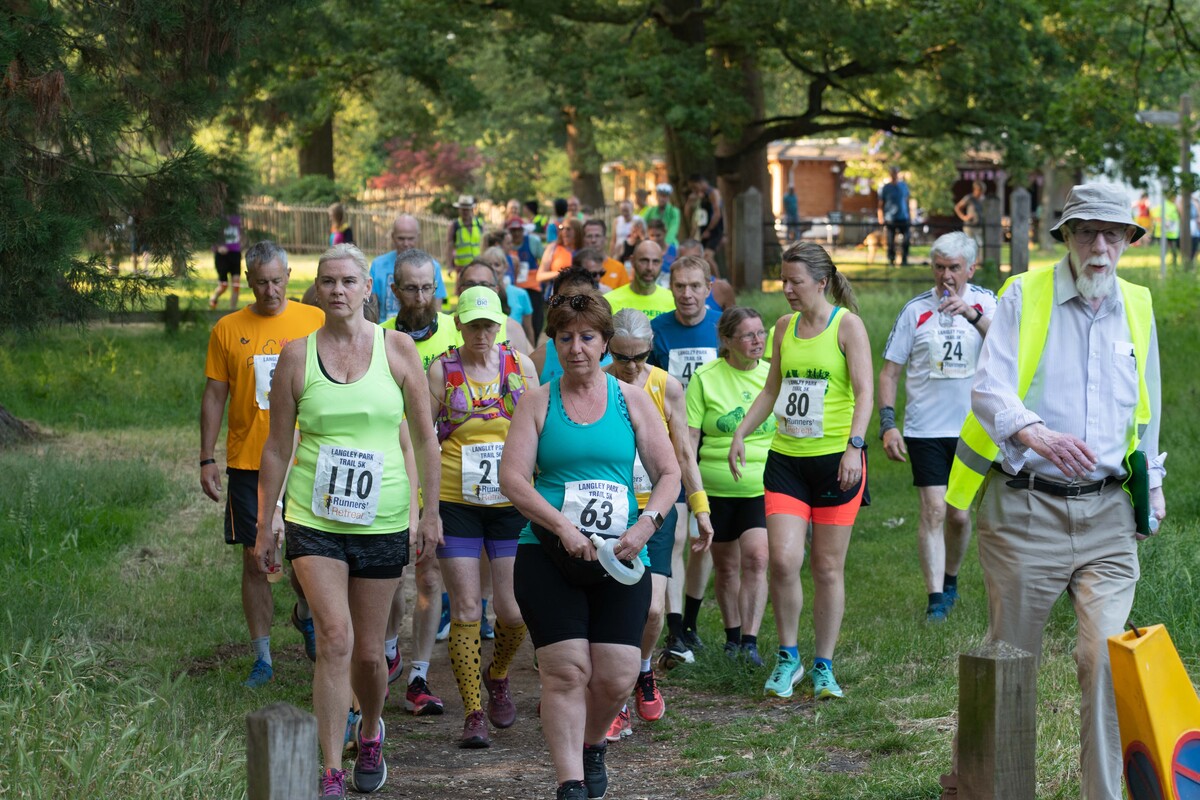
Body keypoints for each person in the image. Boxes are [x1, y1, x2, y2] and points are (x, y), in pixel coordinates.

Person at [939, 183, 1166, 800]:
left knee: (1106, 662)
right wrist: (1033, 432)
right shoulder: (1023, 293)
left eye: (1112, 234)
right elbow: (989, 388)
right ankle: (981, 788)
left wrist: (1151, 486)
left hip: (1109, 516)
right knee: (1010, 663)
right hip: (1027, 510)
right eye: (1087, 232)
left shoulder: (1138, 303)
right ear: (1066, 236)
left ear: (1128, 241)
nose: (1100, 246)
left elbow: (1146, 409)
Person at [254, 243, 442, 797]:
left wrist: (429, 511)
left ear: (367, 289)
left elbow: (425, 439)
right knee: (334, 637)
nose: (337, 290)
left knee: (368, 651)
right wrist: (266, 521)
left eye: (348, 281)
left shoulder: (398, 349)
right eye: (328, 281)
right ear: (317, 290)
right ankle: (332, 767)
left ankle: (371, 726)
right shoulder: (296, 356)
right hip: (314, 518)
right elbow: (276, 447)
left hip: (382, 519)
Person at [498, 287, 681, 800]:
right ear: (554, 342)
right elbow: (513, 479)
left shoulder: (632, 400)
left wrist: (646, 526)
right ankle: (570, 782)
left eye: (586, 338)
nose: (576, 348)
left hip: (621, 555)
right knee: (566, 670)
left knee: (617, 675)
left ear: (604, 342)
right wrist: (562, 527)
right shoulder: (538, 402)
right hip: (548, 553)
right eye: (565, 338)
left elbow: (669, 473)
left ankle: (593, 742)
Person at [729, 242, 873, 701]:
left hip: (836, 463)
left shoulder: (847, 326)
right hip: (787, 461)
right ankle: (788, 656)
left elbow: (865, 394)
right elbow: (772, 389)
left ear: (821, 282)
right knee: (783, 560)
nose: (787, 289)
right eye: (783, 281)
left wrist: (854, 448)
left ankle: (824, 665)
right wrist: (741, 432)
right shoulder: (783, 327)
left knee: (827, 567)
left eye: (795, 281)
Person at [200, 241, 325, 687]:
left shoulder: (315, 321)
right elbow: (215, 395)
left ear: (288, 276)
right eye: (260, 283)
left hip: (308, 457)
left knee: (310, 557)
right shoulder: (228, 329)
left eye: (277, 281)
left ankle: (306, 614)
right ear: (247, 281)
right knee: (257, 559)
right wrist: (206, 457)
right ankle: (263, 658)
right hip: (250, 461)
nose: (270, 291)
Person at [428, 286, 540, 748]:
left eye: (488, 325)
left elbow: (538, 430)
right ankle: (473, 711)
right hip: (456, 503)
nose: (481, 333)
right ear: (459, 325)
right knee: (468, 608)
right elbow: (424, 436)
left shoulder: (521, 366)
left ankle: (498, 674)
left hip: (510, 503)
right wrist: (426, 505)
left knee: (513, 611)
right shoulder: (442, 370)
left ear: (500, 325)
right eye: (473, 325)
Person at [602, 308, 713, 740]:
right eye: (622, 357)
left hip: (657, 508)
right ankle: (615, 699)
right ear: (608, 348)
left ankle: (643, 669)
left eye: (640, 357)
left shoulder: (667, 386)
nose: (631, 367)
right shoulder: (598, 382)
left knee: (651, 610)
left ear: (652, 348)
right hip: (611, 509)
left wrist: (700, 507)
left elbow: (684, 452)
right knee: (614, 610)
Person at [877, 232, 996, 622]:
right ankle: (935, 599)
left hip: (973, 428)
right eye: (939, 267)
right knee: (933, 511)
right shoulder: (915, 311)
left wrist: (971, 315)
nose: (946, 276)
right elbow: (889, 372)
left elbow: (1009, 348)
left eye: (954, 268)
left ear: (971, 269)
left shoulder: (987, 303)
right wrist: (888, 424)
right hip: (925, 428)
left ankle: (951, 578)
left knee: (959, 514)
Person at [380, 247, 458, 716]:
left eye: (429, 287)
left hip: (441, 472)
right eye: (411, 288)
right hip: (391, 472)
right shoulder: (379, 338)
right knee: (390, 579)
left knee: (430, 574)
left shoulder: (454, 333)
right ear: (395, 290)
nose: (422, 297)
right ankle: (390, 645)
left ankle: (419, 675)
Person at [686, 307, 774, 665]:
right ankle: (732, 637)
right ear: (726, 340)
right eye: (748, 335)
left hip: (763, 487)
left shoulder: (773, 376)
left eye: (761, 332)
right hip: (716, 489)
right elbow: (690, 439)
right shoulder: (705, 378)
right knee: (726, 567)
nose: (758, 341)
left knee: (757, 557)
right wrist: (692, 490)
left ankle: (750, 642)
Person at [648, 255, 721, 659]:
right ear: (670, 287)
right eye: (680, 286)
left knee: (702, 537)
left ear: (709, 288)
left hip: (716, 446)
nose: (687, 294)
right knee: (676, 535)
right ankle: (675, 629)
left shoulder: (721, 327)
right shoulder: (658, 331)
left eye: (695, 286)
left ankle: (691, 621)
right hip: (673, 444)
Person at [370, 214, 447, 324]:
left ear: (418, 237)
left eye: (410, 238)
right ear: (393, 236)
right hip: (385, 328)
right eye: (401, 238)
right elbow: (371, 307)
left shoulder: (431, 266)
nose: (406, 244)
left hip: (421, 328)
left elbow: (437, 308)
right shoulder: (378, 266)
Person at [458, 258, 532, 354]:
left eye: (484, 284)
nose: (478, 289)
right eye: (470, 284)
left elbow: (528, 359)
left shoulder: (512, 327)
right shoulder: (442, 325)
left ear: (496, 290)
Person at [605, 240, 676, 322]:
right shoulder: (610, 301)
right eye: (644, 261)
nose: (650, 268)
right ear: (632, 261)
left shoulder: (674, 301)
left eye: (655, 262)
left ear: (661, 263)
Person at [480, 245, 535, 345]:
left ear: (505, 267)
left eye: (497, 264)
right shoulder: (478, 295)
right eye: (488, 265)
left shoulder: (521, 294)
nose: (493, 268)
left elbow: (529, 330)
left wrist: (531, 352)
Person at [684, 174, 724, 278]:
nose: (693, 190)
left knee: (707, 257)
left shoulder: (713, 193)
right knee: (699, 257)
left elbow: (717, 214)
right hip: (701, 231)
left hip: (713, 231)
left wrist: (709, 230)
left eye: (694, 187)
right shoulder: (698, 197)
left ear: (700, 183)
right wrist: (689, 202)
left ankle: (719, 281)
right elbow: (688, 215)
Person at [582, 218, 631, 293]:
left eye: (597, 236)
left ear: (605, 239)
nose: (593, 240)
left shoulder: (619, 268)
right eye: (589, 236)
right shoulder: (577, 267)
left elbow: (626, 296)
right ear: (583, 240)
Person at [878, 166, 911, 267]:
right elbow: (881, 204)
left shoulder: (903, 186)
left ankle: (904, 260)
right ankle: (891, 260)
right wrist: (880, 217)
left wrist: (910, 215)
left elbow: (907, 201)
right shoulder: (886, 188)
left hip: (903, 217)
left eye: (896, 173)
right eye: (893, 173)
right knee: (890, 241)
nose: (895, 175)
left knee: (906, 239)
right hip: (890, 218)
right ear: (890, 174)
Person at [209, 212, 243, 310]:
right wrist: (217, 247)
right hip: (222, 256)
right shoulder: (217, 217)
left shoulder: (237, 216)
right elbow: (211, 234)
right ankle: (214, 298)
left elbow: (242, 233)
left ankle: (233, 310)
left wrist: (242, 245)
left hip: (235, 254)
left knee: (236, 284)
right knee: (224, 285)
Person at [537, 217, 584, 289]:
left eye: (568, 229)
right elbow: (540, 276)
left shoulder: (584, 250)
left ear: (577, 231)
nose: (564, 231)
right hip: (557, 291)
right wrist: (561, 273)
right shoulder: (553, 248)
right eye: (561, 228)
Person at [447, 195, 485, 271]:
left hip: (478, 265)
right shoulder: (455, 225)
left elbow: (485, 244)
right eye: (463, 209)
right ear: (459, 210)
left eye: (467, 209)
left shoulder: (479, 224)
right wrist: (450, 266)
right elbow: (449, 246)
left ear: (472, 209)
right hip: (461, 267)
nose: (465, 212)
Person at [642, 183, 681, 248]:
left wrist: (664, 245)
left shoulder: (674, 211)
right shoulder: (651, 210)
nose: (661, 199)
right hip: (652, 242)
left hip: (669, 243)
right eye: (659, 196)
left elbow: (673, 230)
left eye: (664, 196)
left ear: (668, 197)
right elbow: (642, 222)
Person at [953, 181, 985, 249]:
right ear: (975, 190)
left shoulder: (983, 199)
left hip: (979, 226)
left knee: (980, 245)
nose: (981, 193)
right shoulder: (969, 198)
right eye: (980, 191)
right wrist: (963, 217)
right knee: (971, 245)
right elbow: (957, 207)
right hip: (970, 226)